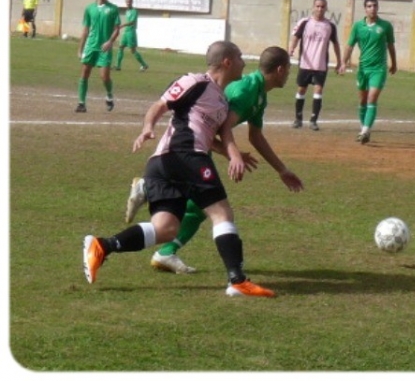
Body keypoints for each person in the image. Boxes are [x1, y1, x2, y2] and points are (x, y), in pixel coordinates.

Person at [83, 41, 278, 297]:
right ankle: (237, 281)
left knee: (166, 229)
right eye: (240, 57)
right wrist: (148, 127)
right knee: (222, 214)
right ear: (227, 62)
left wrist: (233, 155)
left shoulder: (222, 101)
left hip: (164, 164)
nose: (244, 63)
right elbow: (160, 105)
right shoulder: (195, 82)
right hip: (185, 154)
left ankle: (102, 246)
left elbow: (215, 138)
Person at [125, 46, 305, 274]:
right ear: (280, 69)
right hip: (191, 145)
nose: (289, 74)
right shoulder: (245, 91)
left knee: (198, 208)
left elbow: (255, 136)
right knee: (211, 208)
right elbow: (216, 127)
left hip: (200, 145)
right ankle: (149, 200)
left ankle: (166, 249)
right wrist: (233, 154)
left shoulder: (259, 95)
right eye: (288, 69)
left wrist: (281, 169)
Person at [339, 0, 397, 144]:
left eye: (375, 6)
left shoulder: (386, 26)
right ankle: (364, 129)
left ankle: (365, 130)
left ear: (378, 7)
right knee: (363, 100)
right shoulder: (358, 26)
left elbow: (391, 46)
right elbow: (349, 46)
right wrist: (343, 62)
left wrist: (394, 63)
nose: (372, 8)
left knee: (372, 98)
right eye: (369, 6)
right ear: (365, 9)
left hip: (378, 69)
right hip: (363, 69)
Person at [289, 0, 342, 131]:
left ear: (326, 8)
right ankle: (298, 119)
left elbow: (336, 44)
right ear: (313, 7)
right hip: (305, 64)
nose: (320, 9)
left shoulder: (330, 26)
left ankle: (313, 121)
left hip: (320, 65)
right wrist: (291, 49)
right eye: (317, 6)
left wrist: (339, 61)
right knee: (301, 90)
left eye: (322, 6)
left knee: (318, 90)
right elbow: (295, 37)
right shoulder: (305, 22)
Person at [75, 0, 121, 113]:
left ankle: (109, 95)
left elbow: (117, 29)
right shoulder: (90, 9)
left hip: (104, 48)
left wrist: (110, 42)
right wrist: (80, 49)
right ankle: (81, 103)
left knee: (104, 77)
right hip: (90, 46)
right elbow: (85, 30)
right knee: (84, 74)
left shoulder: (113, 9)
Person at [114, 0, 149, 72]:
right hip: (126, 32)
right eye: (127, 2)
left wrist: (122, 25)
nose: (128, 3)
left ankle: (144, 65)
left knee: (133, 50)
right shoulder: (127, 11)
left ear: (132, 2)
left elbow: (132, 22)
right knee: (121, 47)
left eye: (129, 2)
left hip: (131, 32)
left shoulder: (134, 11)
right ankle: (118, 66)